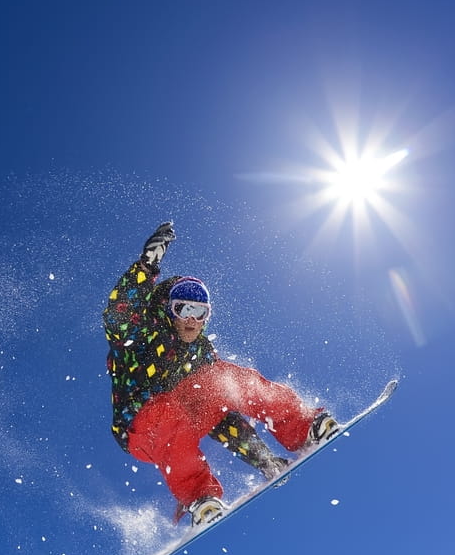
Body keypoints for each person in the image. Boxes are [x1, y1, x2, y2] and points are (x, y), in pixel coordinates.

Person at [103, 221, 339, 526]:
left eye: (199, 313)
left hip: (187, 413)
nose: (191, 320)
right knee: (167, 413)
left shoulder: (201, 353)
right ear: (168, 310)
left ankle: (305, 426)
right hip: (142, 426)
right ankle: (199, 497)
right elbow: (116, 315)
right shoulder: (142, 333)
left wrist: (263, 460)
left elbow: (224, 416)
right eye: (182, 310)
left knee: (224, 379)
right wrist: (147, 265)